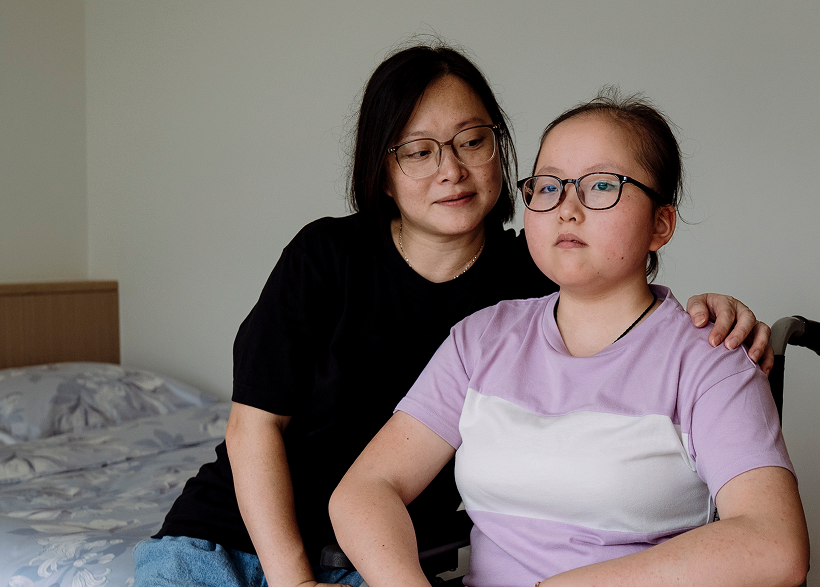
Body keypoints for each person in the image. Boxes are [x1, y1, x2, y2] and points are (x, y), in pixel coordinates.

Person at [133, 45, 776, 587]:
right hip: (238, 538)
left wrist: (714, 312)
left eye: (472, 141)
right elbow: (253, 428)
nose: (451, 170)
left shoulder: (532, 276)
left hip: (379, 561)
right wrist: (293, 582)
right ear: (383, 171)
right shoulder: (329, 257)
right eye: (418, 151)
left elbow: (619, 284)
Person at [330, 91, 810, 587]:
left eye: (601, 185)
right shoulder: (480, 340)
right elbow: (367, 488)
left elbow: (775, 544)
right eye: (548, 186)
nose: (567, 209)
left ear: (660, 224)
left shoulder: (710, 356)